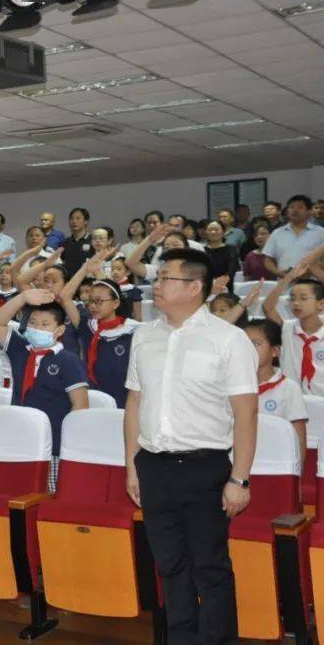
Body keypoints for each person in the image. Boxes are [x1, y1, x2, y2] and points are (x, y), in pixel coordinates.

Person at [124, 248, 258, 645]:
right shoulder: (144, 335)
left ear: (194, 287)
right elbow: (134, 403)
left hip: (204, 468)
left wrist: (240, 479)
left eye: (166, 278)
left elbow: (246, 414)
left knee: (210, 568)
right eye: (158, 277)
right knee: (170, 565)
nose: (156, 285)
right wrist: (132, 466)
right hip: (153, 466)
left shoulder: (228, 339)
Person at [0, 289, 89, 491]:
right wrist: (23, 298)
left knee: (49, 494)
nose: (37, 328)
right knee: (19, 493)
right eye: (33, 323)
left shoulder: (68, 360)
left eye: (45, 325)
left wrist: (67, 444)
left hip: (54, 445)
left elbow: (80, 405)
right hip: (19, 439)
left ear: (59, 331)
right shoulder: (20, 350)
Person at [62, 260, 139, 409]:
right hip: (92, 399)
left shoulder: (131, 331)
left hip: (123, 402)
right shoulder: (88, 326)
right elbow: (65, 296)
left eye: (99, 301)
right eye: (91, 301)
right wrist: (85, 268)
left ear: (116, 303)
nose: (93, 306)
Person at [262, 247, 324, 396]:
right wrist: (289, 277)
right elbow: (267, 307)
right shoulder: (287, 328)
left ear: (321, 304)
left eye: (303, 298)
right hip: (292, 399)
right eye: (292, 298)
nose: (296, 303)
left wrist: (314, 259)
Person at [245, 319, 308, 462]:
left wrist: (296, 473)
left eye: (255, 344)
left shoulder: (289, 388)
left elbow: (298, 438)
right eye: (243, 343)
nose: (247, 349)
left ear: (275, 351)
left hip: (275, 464)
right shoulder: (231, 385)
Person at [262, 195, 324, 277]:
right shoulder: (277, 233)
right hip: (284, 281)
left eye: (300, 207)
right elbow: (268, 261)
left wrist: (310, 272)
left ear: (309, 212)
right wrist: (281, 274)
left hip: (313, 281)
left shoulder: (320, 232)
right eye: (291, 207)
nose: (295, 210)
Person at [203, 220, 239, 292]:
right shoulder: (202, 250)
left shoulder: (231, 249)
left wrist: (218, 283)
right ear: (206, 232)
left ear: (223, 232)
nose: (213, 232)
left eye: (216, 230)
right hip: (206, 287)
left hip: (225, 287)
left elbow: (231, 271)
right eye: (210, 230)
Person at [61, 207, 92, 277]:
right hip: (69, 280)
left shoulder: (93, 241)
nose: (74, 221)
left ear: (86, 221)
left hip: (87, 281)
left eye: (78, 218)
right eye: (71, 218)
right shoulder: (66, 242)